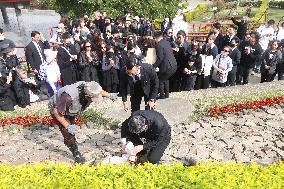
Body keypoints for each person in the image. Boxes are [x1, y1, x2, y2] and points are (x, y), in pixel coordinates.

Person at [48, 81, 117, 163]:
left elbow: (98, 91)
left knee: (72, 121)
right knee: (68, 131)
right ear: (87, 96)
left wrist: (109, 95)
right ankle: (75, 152)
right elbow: (57, 112)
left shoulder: (89, 86)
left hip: (70, 108)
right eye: (91, 99)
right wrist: (67, 126)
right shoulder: (68, 97)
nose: (92, 101)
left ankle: (72, 140)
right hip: (57, 108)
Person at [153, 31, 177, 99]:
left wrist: (154, 66)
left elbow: (160, 58)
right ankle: (166, 95)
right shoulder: (166, 42)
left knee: (159, 80)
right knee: (165, 79)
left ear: (156, 38)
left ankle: (162, 96)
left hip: (167, 67)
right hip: (173, 65)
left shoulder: (159, 45)